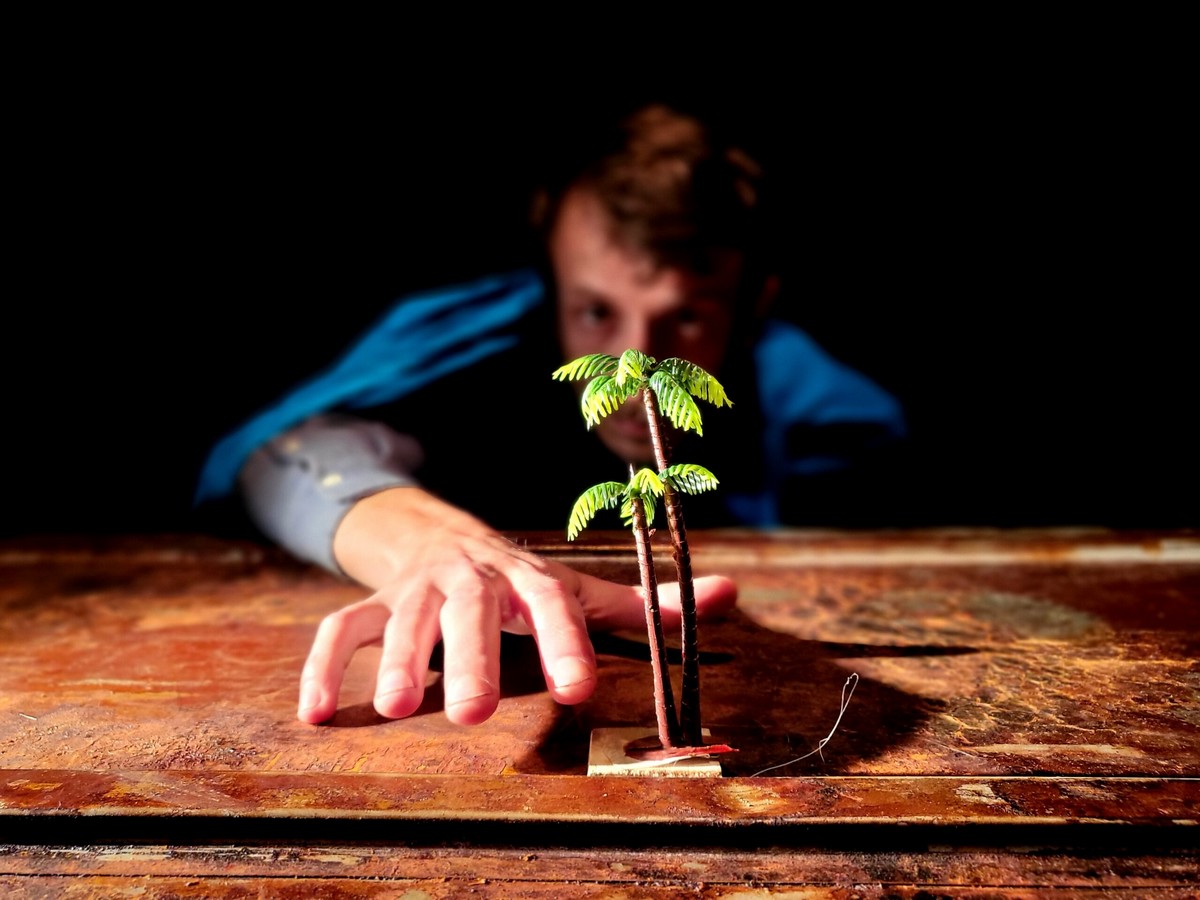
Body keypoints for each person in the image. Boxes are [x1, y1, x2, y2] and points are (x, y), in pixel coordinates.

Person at [194, 101, 908, 729]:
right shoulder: (469, 347)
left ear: (753, 304)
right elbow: (290, 452)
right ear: (551, 283)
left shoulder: (835, 423)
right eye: (596, 311)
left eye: (686, 317)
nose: (635, 368)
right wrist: (428, 544)